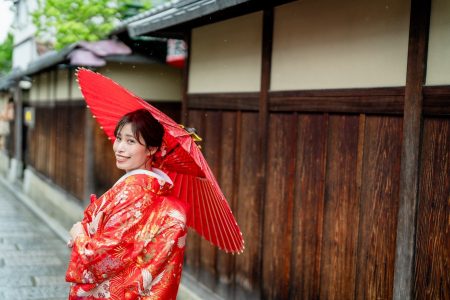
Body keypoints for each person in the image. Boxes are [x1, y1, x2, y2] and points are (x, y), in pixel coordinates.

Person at [65, 109, 188, 300]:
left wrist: (79, 235)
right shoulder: (154, 190)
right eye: (119, 138)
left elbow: (102, 255)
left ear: (152, 148)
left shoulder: (135, 194)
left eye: (130, 141)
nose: (119, 148)